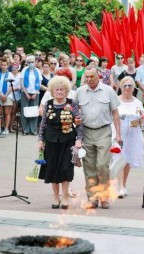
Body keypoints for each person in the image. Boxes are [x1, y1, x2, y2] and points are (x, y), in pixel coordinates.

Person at [75, 66, 121, 209]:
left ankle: (104, 196)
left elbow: (115, 113)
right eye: (86, 77)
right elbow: (74, 111)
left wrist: (118, 134)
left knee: (102, 165)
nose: (89, 79)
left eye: (91, 77)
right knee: (89, 167)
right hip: (87, 132)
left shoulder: (108, 90)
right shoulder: (80, 92)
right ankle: (92, 198)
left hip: (103, 131)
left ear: (98, 76)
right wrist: (75, 120)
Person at [38, 76, 82, 209]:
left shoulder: (72, 103)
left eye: (62, 90)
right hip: (50, 141)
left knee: (65, 168)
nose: (59, 92)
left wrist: (79, 139)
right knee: (52, 168)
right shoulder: (48, 104)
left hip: (68, 140)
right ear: (52, 91)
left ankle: (65, 197)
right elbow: (43, 124)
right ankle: (56, 197)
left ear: (66, 91)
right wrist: (40, 140)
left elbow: (79, 122)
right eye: (56, 90)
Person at [115, 76, 144, 198]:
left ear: (133, 87)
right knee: (119, 159)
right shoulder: (116, 100)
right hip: (119, 134)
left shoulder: (138, 102)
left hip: (133, 134)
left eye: (130, 85)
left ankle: (124, 184)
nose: (127, 88)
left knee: (127, 160)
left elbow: (143, 120)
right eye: (125, 85)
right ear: (121, 87)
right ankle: (120, 187)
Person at [20, 55, 43, 135]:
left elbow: (39, 83)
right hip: (25, 93)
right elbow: (22, 83)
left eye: (32, 62)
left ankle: (33, 130)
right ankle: (25, 130)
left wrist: (35, 93)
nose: (31, 64)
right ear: (27, 63)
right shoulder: (24, 70)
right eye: (29, 62)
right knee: (24, 112)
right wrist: (26, 93)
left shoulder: (38, 71)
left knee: (34, 112)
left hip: (35, 93)